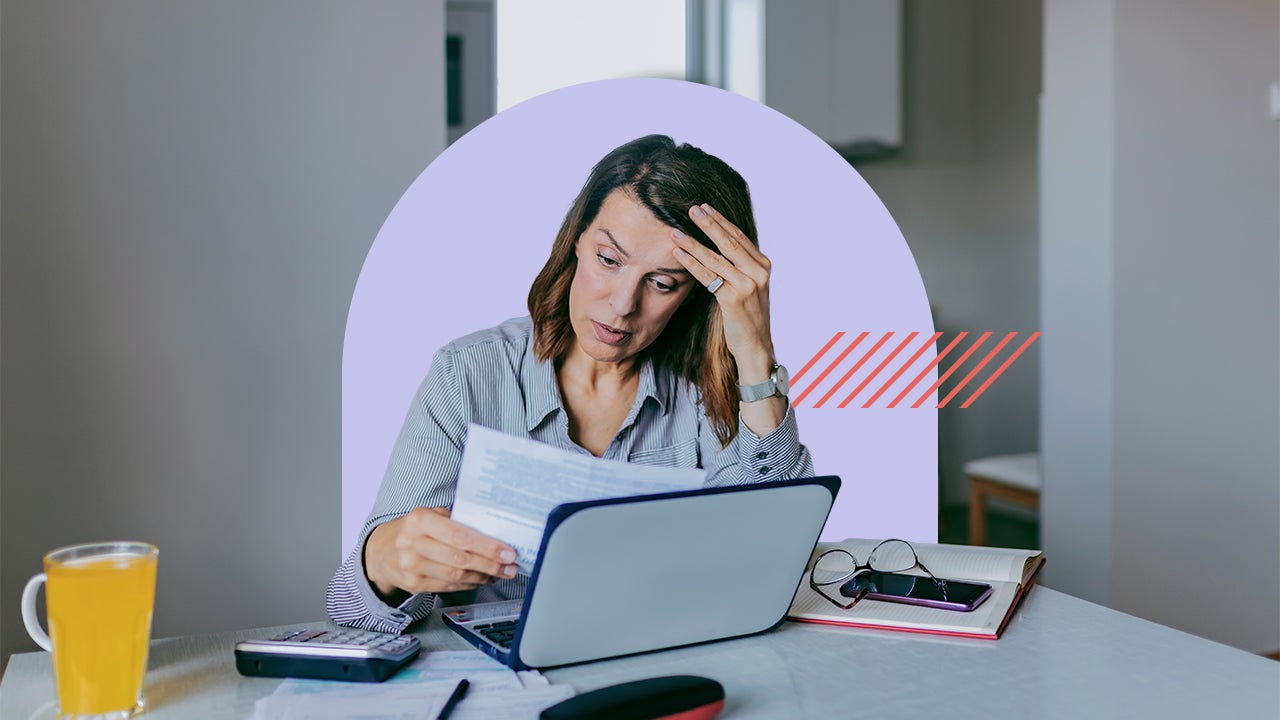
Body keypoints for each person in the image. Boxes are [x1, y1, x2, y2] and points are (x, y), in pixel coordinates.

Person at [327, 134, 814, 633]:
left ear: (698, 294)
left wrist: (756, 355)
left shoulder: (708, 391)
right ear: (576, 238)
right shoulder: (469, 373)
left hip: (668, 658)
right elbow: (351, 611)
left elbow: (766, 567)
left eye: (663, 283)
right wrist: (385, 565)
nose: (623, 304)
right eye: (609, 259)